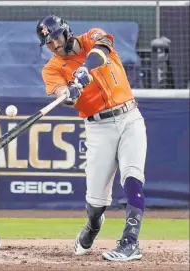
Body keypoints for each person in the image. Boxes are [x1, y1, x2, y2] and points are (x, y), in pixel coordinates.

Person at [36, 15, 147, 261]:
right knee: (96, 203)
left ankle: (130, 242)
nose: (53, 45)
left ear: (66, 32)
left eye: (55, 37)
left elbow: (102, 50)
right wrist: (70, 92)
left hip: (130, 117)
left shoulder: (92, 36)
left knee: (132, 177)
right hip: (98, 127)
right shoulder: (52, 68)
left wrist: (84, 69)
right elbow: (62, 94)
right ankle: (93, 225)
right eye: (48, 42)